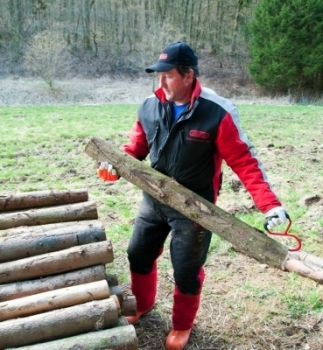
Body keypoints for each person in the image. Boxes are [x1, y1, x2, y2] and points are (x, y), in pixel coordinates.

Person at [97, 41, 288, 350]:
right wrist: (115, 164)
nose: (161, 82)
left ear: (188, 76)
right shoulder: (149, 105)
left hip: (195, 207)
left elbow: (244, 160)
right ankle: (143, 305)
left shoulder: (217, 112)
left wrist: (270, 205)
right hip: (153, 198)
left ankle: (182, 326)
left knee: (186, 269)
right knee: (138, 253)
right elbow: (135, 147)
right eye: (158, 75)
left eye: (168, 75)